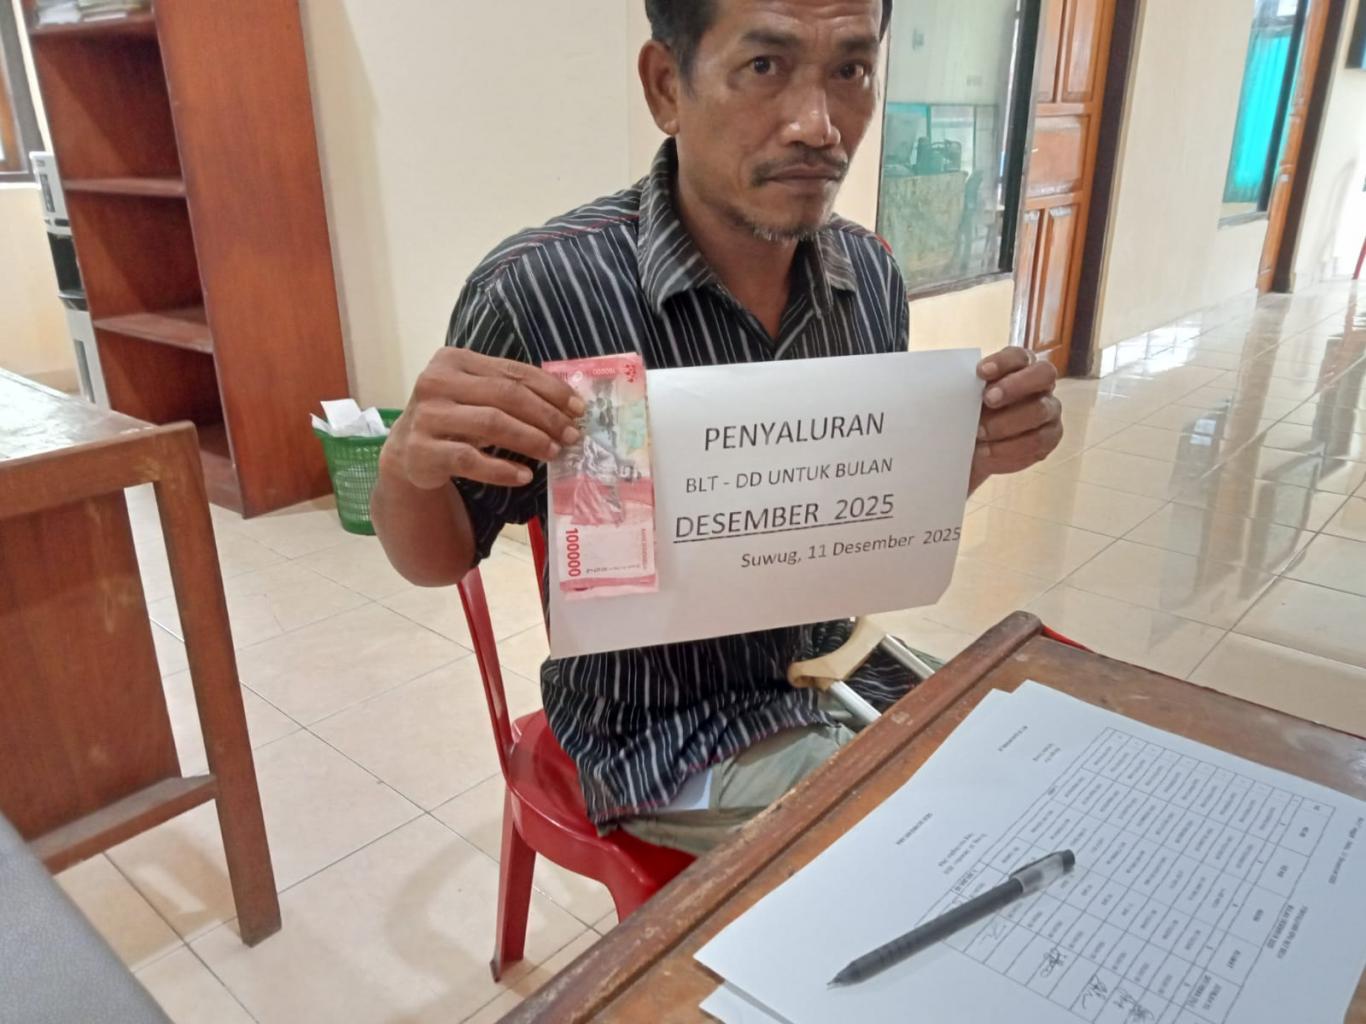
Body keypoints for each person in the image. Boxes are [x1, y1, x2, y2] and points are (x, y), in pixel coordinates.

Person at [371, 0, 1064, 855]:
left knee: (1038, 779)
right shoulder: (540, 292)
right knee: (933, 844)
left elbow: (854, 515)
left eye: (850, 70)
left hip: (833, 665)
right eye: (764, 67)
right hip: (664, 730)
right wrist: (406, 465)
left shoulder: (868, 277)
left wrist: (973, 454)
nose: (818, 126)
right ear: (667, 86)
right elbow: (438, 559)